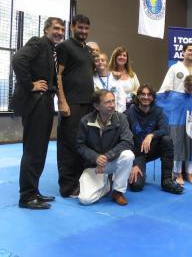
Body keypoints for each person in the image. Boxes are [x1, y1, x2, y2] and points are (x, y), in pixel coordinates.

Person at [11, 17, 65, 209]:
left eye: (62, 29)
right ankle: (26, 196)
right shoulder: (38, 42)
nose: (59, 32)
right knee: (34, 150)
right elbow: (18, 59)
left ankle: (33, 191)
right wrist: (29, 84)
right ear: (45, 29)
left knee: (39, 149)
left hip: (44, 102)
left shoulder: (51, 49)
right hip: (37, 103)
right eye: (56, 28)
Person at [57, 14, 95, 198]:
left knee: (83, 144)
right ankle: (67, 187)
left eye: (86, 28)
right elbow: (58, 75)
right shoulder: (65, 47)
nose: (83, 31)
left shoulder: (87, 50)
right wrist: (62, 101)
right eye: (80, 28)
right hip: (71, 104)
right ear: (72, 27)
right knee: (68, 144)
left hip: (88, 104)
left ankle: (81, 182)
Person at [76, 89, 134, 205]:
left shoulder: (121, 118)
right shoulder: (85, 121)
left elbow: (128, 142)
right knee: (85, 200)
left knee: (128, 155)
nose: (112, 105)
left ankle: (118, 191)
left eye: (113, 101)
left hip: (110, 162)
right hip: (94, 166)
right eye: (107, 102)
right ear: (97, 106)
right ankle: (107, 185)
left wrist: (106, 157)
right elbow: (80, 146)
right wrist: (95, 157)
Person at [159, 43, 192, 185]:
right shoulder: (175, 68)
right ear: (183, 52)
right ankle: (177, 173)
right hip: (177, 111)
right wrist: (166, 90)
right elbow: (166, 87)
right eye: (189, 50)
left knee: (191, 141)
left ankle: (189, 173)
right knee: (177, 141)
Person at [125, 84, 184, 194]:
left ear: (153, 98)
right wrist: (133, 164)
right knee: (136, 186)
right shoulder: (129, 113)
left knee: (167, 140)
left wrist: (151, 135)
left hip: (153, 149)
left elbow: (165, 129)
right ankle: (135, 170)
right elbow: (124, 139)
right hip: (137, 153)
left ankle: (167, 181)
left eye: (149, 95)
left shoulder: (158, 112)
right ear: (138, 96)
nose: (146, 97)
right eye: (143, 94)